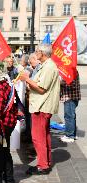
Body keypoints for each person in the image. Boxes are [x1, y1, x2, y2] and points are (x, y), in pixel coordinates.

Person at [19, 44, 60, 175]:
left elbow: (42, 88)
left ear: (42, 53)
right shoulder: (46, 65)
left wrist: (27, 79)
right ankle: (45, 163)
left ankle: (42, 165)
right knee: (44, 136)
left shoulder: (49, 67)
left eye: (37, 51)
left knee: (38, 137)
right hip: (41, 105)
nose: (35, 53)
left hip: (41, 106)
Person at [60, 70, 81, 143]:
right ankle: (73, 135)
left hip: (71, 98)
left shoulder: (72, 71)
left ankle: (69, 136)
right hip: (69, 98)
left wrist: (61, 83)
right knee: (71, 116)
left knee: (69, 117)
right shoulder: (70, 71)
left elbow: (73, 85)